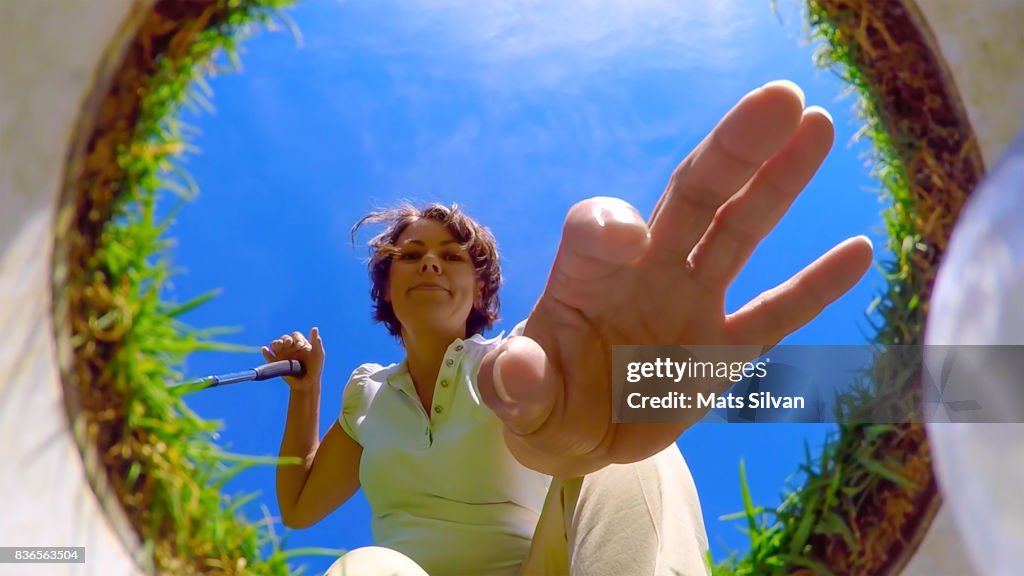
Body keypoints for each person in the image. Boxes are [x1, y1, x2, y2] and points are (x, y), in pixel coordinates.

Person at [262, 80, 874, 575]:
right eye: (412, 252)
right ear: (386, 286)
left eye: (452, 256)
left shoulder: (526, 356)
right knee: (366, 565)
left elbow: (639, 386)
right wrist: (305, 392)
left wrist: (929, 383)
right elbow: (299, 506)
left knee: (623, 445)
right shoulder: (365, 393)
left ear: (479, 289)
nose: (430, 260)